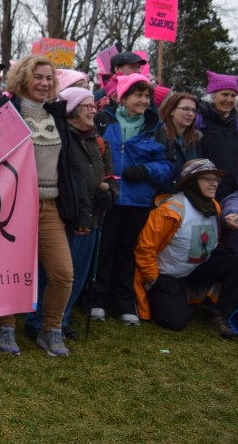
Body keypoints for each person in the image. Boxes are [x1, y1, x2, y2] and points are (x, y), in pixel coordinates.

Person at [0, 55, 88, 357]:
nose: (44, 83)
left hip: (50, 206)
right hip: (14, 205)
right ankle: (6, 325)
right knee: (12, 269)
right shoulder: (7, 111)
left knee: (63, 273)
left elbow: (69, 163)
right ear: (23, 78)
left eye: (49, 78)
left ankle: (51, 329)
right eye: (38, 76)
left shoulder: (57, 114)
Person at [24, 88, 116, 340]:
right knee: (55, 272)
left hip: (93, 215)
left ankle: (60, 319)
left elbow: (110, 174)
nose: (93, 110)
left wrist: (111, 193)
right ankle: (37, 320)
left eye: (93, 105)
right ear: (72, 109)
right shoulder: (62, 138)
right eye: (86, 106)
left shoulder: (98, 141)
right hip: (67, 216)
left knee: (76, 273)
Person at [135, 160, 238, 337]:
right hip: (167, 274)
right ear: (191, 181)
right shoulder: (170, 210)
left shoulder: (214, 206)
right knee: (175, 322)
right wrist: (153, 277)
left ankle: (221, 313)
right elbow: (145, 248)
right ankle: (169, 297)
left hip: (196, 269)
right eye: (207, 179)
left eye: (216, 180)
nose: (214, 183)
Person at [91, 73, 172, 326]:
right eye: (138, 95)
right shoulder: (103, 121)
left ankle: (125, 301)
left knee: (128, 253)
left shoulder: (155, 127)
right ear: (122, 97)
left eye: (147, 96)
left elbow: (168, 165)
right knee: (104, 251)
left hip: (138, 200)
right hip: (110, 198)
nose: (144, 100)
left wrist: (146, 171)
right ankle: (97, 300)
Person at [198, 70, 238, 200]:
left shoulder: (237, 123)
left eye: (233, 95)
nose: (229, 100)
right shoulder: (198, 120)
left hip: (232, 191)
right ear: (212, 96)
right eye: (224, 94)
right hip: (203, 192)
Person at [154, 92, 202, 193]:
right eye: (185, 109)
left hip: (188, 199)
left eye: (194, 110)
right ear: (171, 110)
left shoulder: (195, 140)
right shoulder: (159, 135)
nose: (191, 114)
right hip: (163, 198)